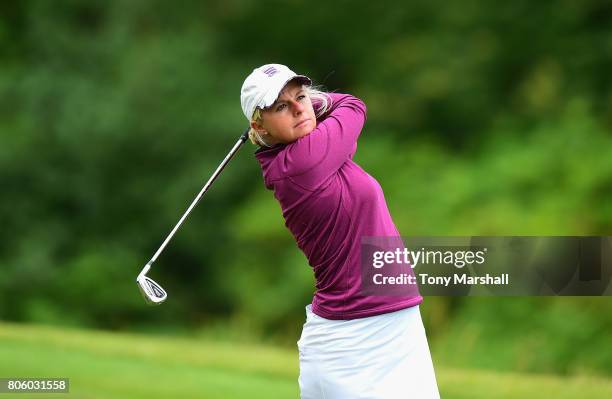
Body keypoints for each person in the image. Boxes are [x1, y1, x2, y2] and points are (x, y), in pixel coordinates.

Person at [240, 63, 440, 399]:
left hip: (397, 326)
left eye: (301, 96)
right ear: (260, 124)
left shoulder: (308, 151)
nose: (299, 108)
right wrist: (316, 104)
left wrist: (302, 107)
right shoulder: (301, 165)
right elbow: (352, 104)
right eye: (281, 106)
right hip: (352, 343)